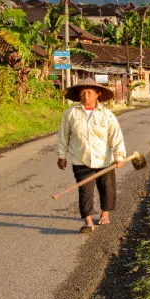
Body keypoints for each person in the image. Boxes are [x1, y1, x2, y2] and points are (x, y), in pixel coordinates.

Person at [57, 79, 126, 234]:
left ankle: (105, 212)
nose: (85, 96)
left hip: (104, 160)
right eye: (82, 93)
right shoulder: (71, 114)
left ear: (98, 94)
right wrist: (61, 156)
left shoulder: (106, 114)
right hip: (81, 159)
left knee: (107, 188)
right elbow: (63, 136)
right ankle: (88, 221)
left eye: (89, 92)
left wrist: (119, 155)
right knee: (85, 191)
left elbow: (115, 136)